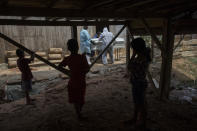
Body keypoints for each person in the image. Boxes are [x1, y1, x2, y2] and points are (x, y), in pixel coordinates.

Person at [58, 39, 89, 120]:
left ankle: (78, 113)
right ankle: (79, 114)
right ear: (78, 47)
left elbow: (59, 66)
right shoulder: (82, 57)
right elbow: (87, 69)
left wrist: (68, 72)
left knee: (76, 100)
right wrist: (82, 71)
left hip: (72, 83)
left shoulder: (68, 59)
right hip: (81, 83)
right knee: (81, 100)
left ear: (69, 49)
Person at [127, 38, 151, 130]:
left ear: (137, 49)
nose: (133, 50)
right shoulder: (141, 57)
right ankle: (135, 118)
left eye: (133, 48)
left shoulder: (142, 59)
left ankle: (143, 123)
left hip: (139, 84)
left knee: (142, 104)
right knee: (137, 102)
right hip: (137, 83)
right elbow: (130, 68)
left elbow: (129, 67)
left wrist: (133, 55)